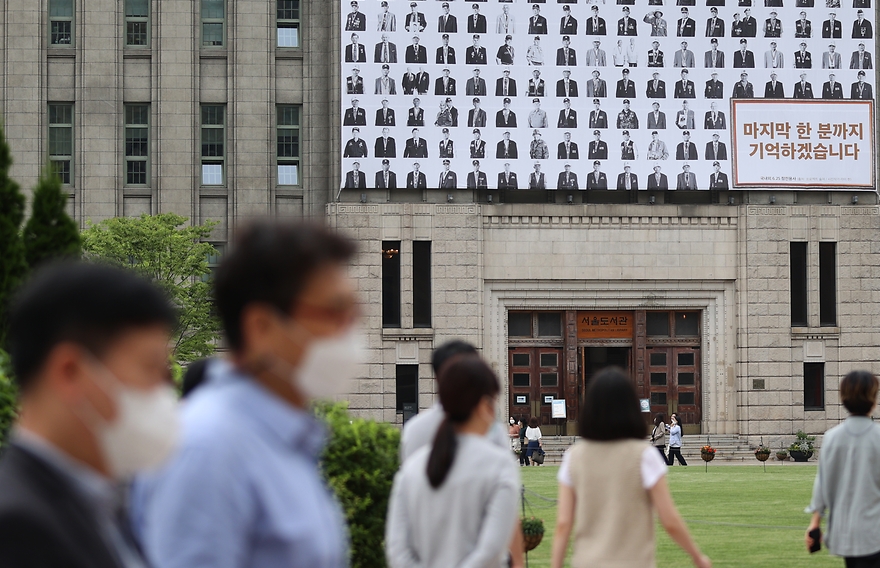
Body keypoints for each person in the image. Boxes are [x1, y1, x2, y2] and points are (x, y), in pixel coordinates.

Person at [139, 221, 362, 568]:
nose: (350, 332)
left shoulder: (285, 438)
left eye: (354, 313)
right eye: (334, 313)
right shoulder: (209, 448)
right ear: (262, 327)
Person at [0, 262, 178, 568]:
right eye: (151, 368)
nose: (166, 390)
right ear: (70, 373)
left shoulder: (101, 504)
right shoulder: (17, 528)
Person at [550, 368, 711, 568]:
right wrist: (697, 556)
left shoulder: (573, 457)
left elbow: (564, 523)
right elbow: (668, 519)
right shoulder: (644, 456)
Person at [387, 357, 520, 568]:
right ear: (485, 405)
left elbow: (398, 551)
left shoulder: (412, 468)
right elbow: (492, 550)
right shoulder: (500, 465)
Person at [805, 371, 880, 568]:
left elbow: (822, 484)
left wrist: (815, 523)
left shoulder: (831, 437)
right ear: (873, 399)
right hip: (877, 530)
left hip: (845, 529)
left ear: (843, 398)